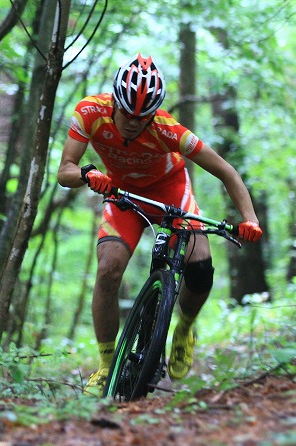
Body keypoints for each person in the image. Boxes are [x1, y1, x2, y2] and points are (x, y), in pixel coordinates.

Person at [57, 54, 263, 396]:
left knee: (200, 270)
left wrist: (250, 219)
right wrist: (87, 175)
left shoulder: (169, 130)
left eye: (143, 116)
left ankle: (184, 327)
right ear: (114, 103)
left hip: (170, 192)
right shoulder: (90, 113)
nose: (134, 122)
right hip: (122, 193)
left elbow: (226, 171)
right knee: (108, 268)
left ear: (154, 113)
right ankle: (107, 366)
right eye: (127, 113)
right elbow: (65, 170)